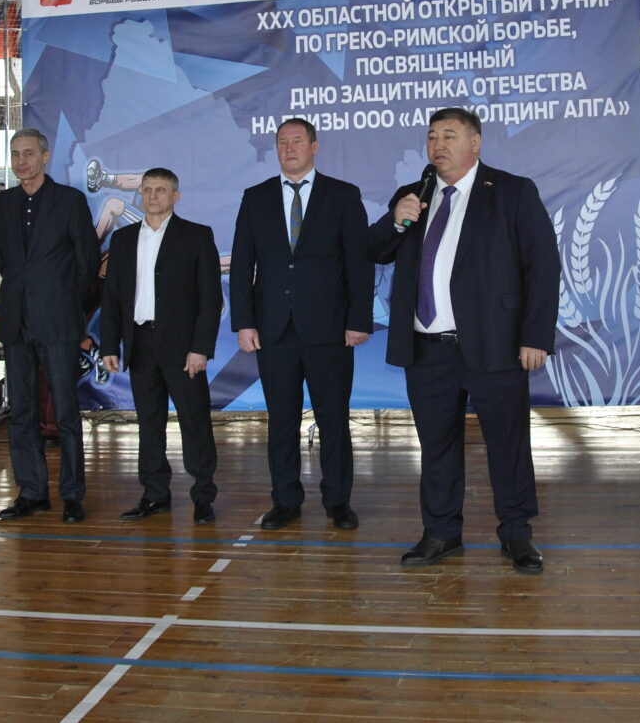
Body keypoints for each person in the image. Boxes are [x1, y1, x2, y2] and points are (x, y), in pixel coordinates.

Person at [366, 108, 559, 574]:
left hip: (495, 344)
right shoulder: (414, 195)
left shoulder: (511, 191)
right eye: (432, 136)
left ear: (476, 143)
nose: (438, 145)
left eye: (449, 136)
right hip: (427, 348)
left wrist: (535, 335)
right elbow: (373, 250)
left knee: (507, 443)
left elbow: (543, 266)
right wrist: (395, 219)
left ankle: (517, 534)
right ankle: (441, 533)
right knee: (436, 447)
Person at [230, 117, 372, 532]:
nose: (288, 148)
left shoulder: (343, 195)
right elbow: (242, 265)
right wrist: (244, 322)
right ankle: (286, 501)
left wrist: (358, 319)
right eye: (281, 142)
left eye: (296, 141)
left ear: (314, 146)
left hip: (330, 328)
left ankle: (338, 502)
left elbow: (358, 262)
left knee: (333, 418)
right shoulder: (255, 197)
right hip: (273, 328)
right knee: (281, 420)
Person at [0, 127, 100, 523]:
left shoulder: (70, 201)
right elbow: (4, 261)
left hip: (58, 322)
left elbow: (87, 263)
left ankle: (72, 495)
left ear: (45, 157)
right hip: (16, 323)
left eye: (29, 153)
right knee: (21, 412)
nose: (21, 161)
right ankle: (31, 492)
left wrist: (61, 300)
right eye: (16, 154)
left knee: (66, 413)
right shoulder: (2, 205)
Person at [100, 168, 221, 524]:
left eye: (161, 190)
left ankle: (203, 496)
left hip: (184, 348)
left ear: (175, 196)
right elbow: (112, 297)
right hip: (140, 344)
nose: (152, 196)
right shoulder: (122, 239)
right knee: (149, 423)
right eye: (147, 189)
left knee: (194, 422)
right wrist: (109, 344)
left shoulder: (196, 236)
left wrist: (200, 348)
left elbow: (210, 299)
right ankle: (155, 494)